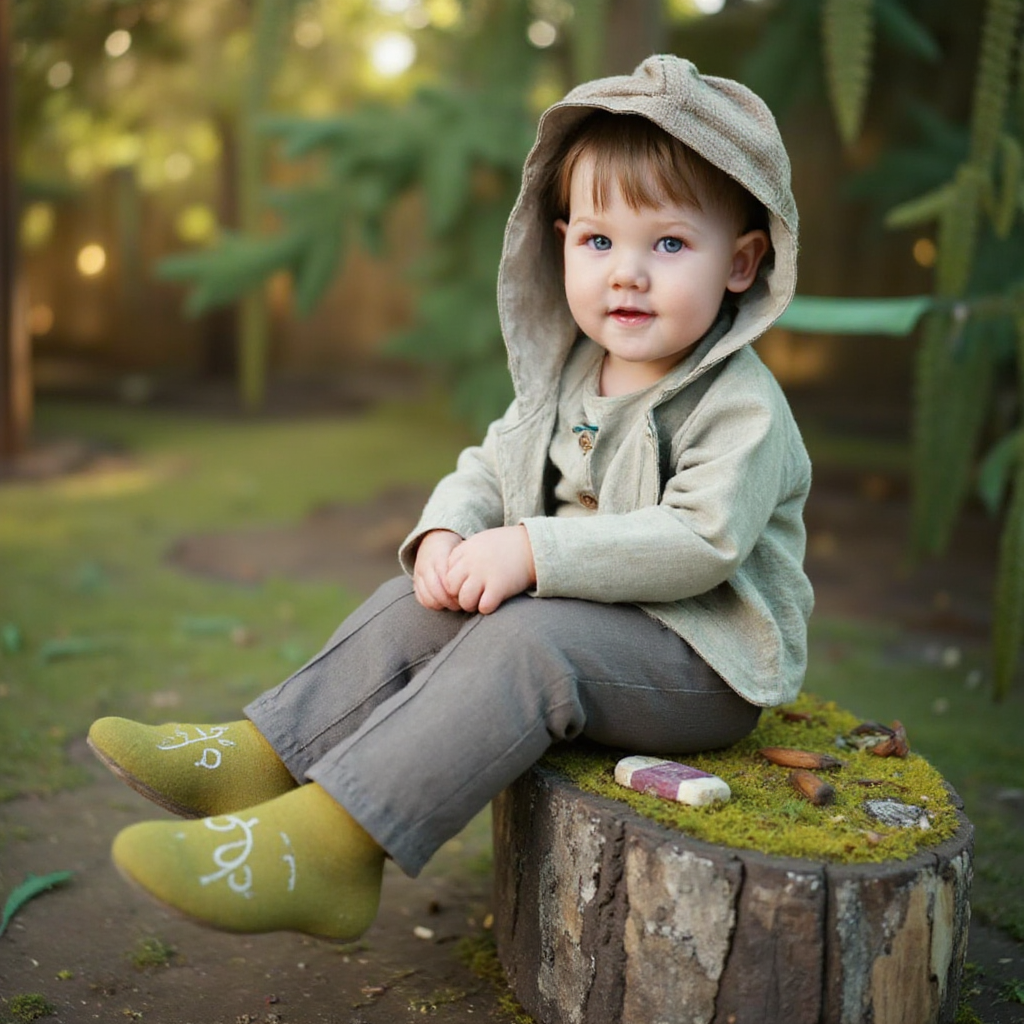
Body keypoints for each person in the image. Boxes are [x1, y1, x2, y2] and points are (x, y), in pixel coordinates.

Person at [87, 54, 813, 941]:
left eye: (667, 243)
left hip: (700, 663)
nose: (627, 273)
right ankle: (262, 757)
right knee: (413, 602)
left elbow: (701, 539)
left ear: (741, 263)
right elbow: (491, 463)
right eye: (598, 241)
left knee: (525, 641)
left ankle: (333, 848)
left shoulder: (741, 406)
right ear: (560, 242)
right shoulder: (574, 371)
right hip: (593, 622)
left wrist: (533, 552)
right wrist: (449, 531)